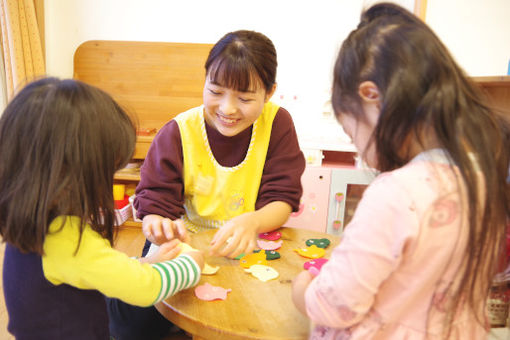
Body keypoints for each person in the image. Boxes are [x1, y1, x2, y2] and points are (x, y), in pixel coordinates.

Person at [292, 3, 510, 340]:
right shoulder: (482, 178)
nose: (361, 151)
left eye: (353, 135)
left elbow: (337, 305)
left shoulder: (396, 192)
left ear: (371, 97)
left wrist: (305, 290)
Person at [0, 77, 204, 340]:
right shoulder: (67, 238)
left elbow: (93, 268)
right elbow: (146, 288)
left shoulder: (33, 224)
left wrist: (144, 262)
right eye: (107, 171)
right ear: (69, 174)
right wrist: (191, 265)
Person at [135, 29, 305, 259]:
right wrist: (156, 223)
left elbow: (282, 198)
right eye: (215, 91)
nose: (227, 109)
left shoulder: (277, 124)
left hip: (247, 240)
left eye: (244, 99)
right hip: (188, 243)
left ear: (269, 93)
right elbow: (155, 199)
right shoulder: (178, 132)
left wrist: (254, 222)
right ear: (205, 81)